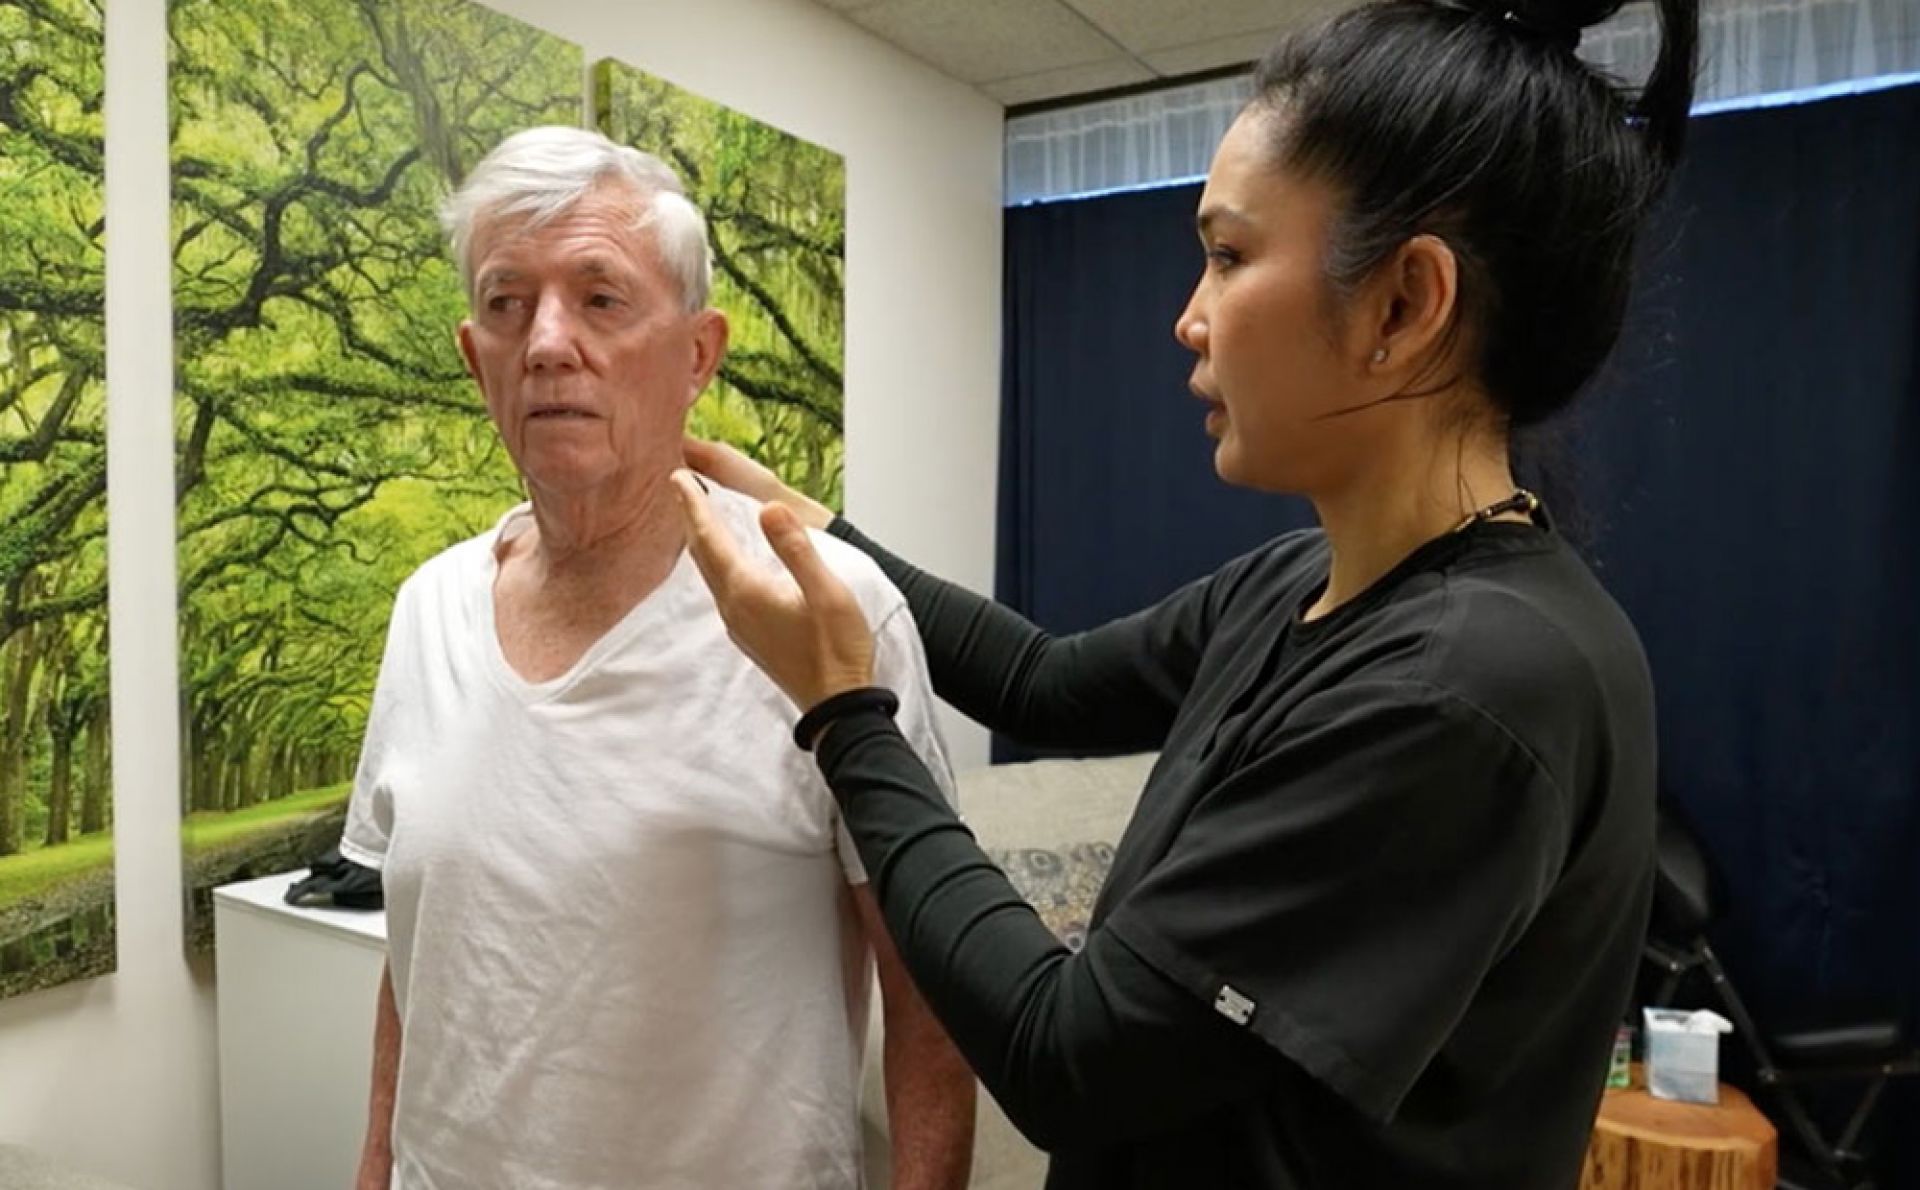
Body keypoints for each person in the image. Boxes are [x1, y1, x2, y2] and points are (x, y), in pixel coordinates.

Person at [670, 0, 1701, 1185]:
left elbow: (1070, 1054)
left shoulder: (1466, 688)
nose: (1189, 317)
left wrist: (844, 711)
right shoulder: (1310, 580)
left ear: (1406, 304)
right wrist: (819, 531)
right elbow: (1040, 680)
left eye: (1228, 255)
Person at [339, 126, 975, 1190]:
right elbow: (422, 956)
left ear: (697, 353)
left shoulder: (825, 612)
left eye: (600, 298)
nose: (546, 343)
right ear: (473, 356)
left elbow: (933, 1010)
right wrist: (372, 1168)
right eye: (506, 303)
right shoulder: (428, 611)